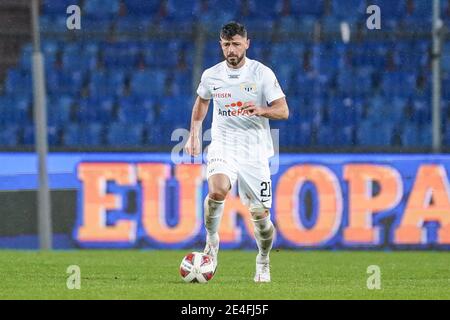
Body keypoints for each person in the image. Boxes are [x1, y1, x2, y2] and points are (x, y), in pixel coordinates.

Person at [184, 21, 289, 282]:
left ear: (247, 44)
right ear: (221, 44)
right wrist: (194, 134)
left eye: (236, 45)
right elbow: (202, 100)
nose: (231, 50)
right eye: (226, 45)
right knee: (217, 190)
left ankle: (263, 259)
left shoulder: (261, 73)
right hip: (223, 143)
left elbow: (283, 111)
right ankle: (211, 242)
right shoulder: (211, 75)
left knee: (261, 218)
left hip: (254, 150)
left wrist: (263, 110)